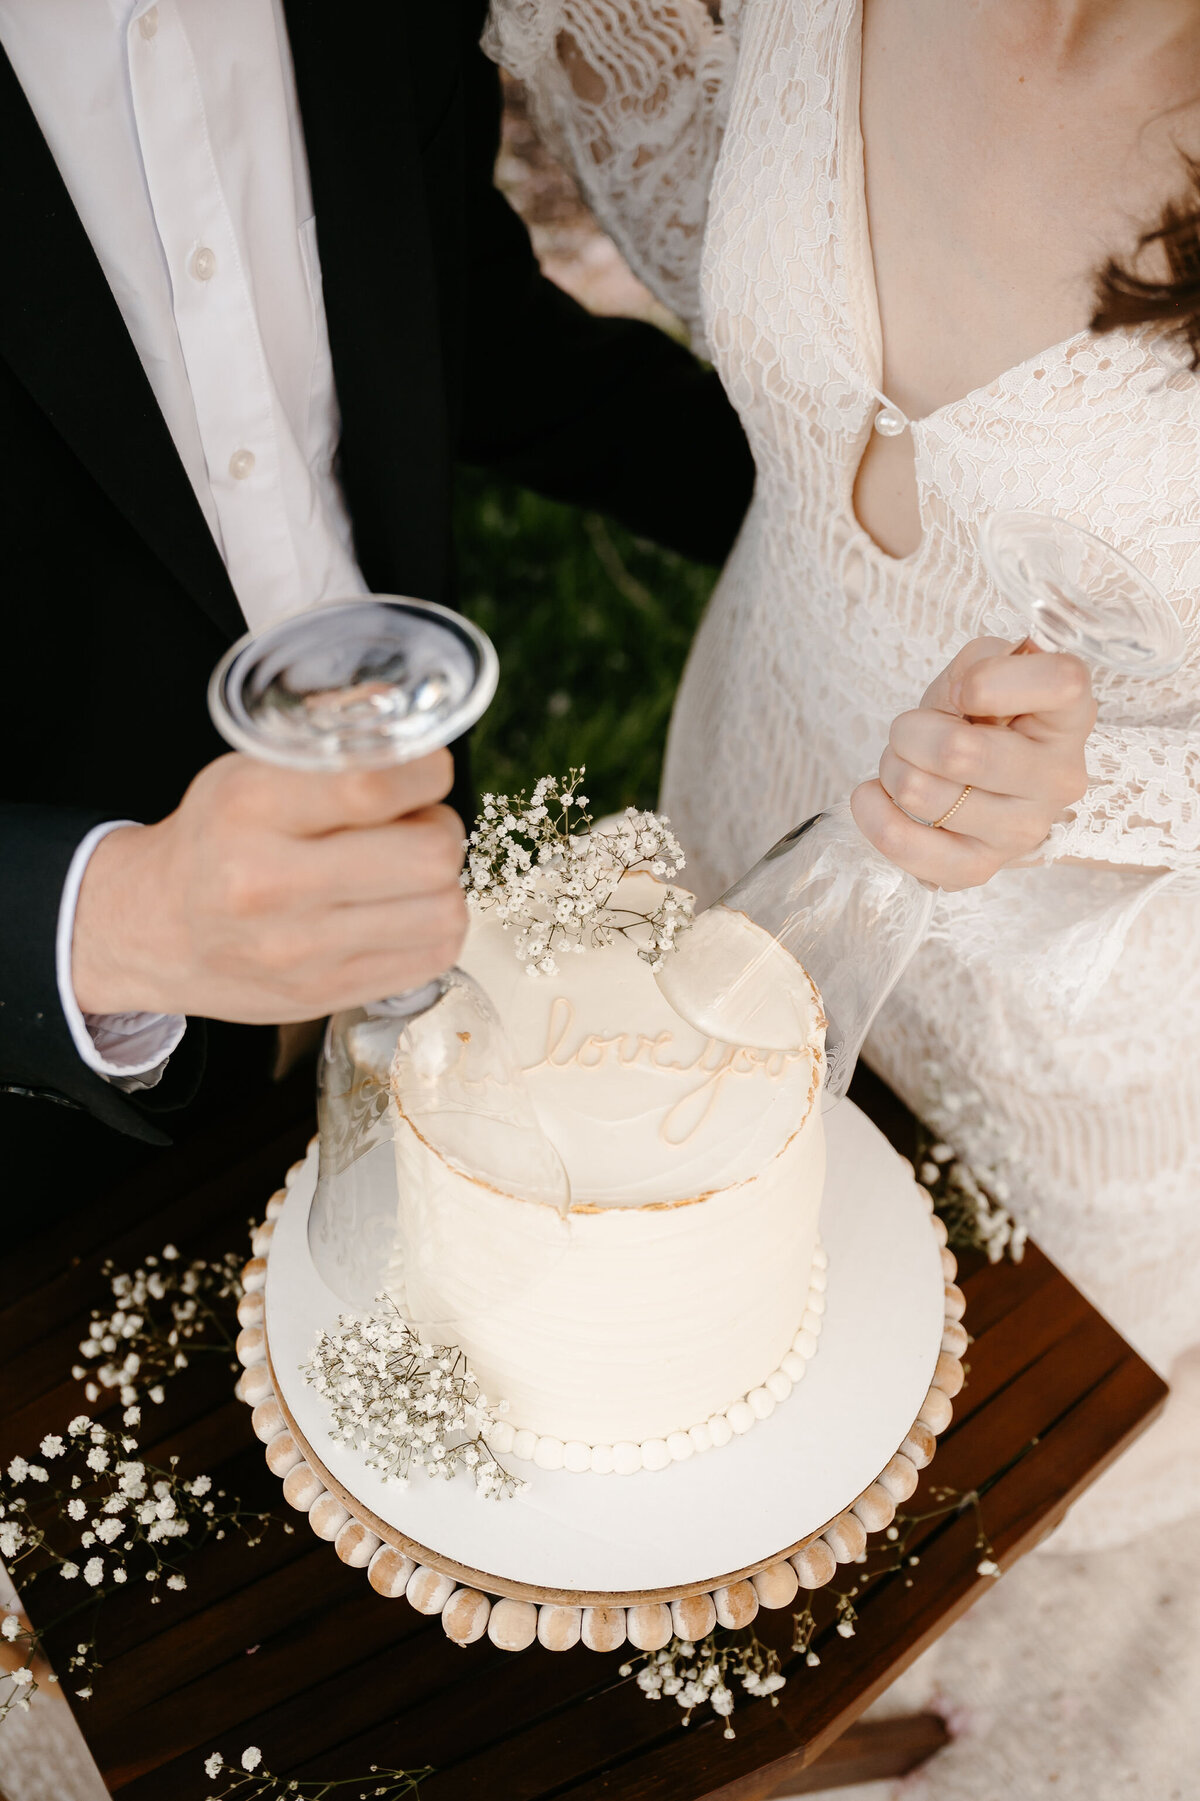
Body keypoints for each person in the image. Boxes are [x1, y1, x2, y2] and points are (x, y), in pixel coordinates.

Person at [485, 0, 1200, 1563]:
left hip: (1093, 1025)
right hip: (750, 775)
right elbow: (694, 218)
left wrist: (1115, 791)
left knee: (990, 1497)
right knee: (683, 1344)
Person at [0, 0, 755, 1216]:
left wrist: (824, 508)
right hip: (52, 1137)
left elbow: (460, 324)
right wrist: (110, 922)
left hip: (430, 966)